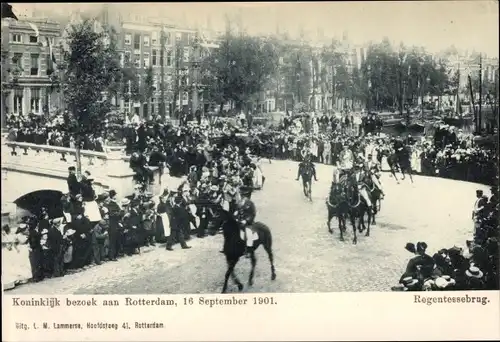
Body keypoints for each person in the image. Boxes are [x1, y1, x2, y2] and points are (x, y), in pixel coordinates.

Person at [234, 191, 257, 258]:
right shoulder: (239, 202)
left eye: (244, 195)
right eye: (242, 195)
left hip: (247, 222)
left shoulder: (250, 203)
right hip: (239, 221)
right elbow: (237, 210)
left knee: (249, 234)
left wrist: (246, 220)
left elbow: (253, 214)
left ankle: (249, 251)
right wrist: (235, 214)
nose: (242, 196)